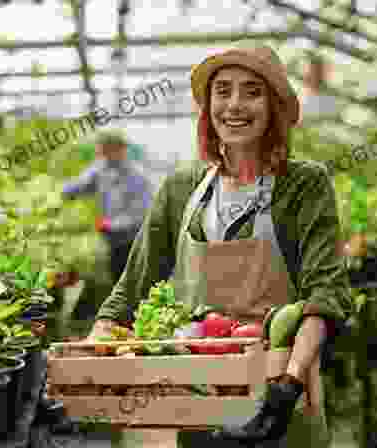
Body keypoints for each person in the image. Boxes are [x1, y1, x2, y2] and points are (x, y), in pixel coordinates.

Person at [83, 41, 352, 447]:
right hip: (198, 399)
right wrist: (94, 351)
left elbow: (325, 295)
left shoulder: (304, 184)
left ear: (274, 105)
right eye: (222, 91)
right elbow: (131, 287)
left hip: (280, 394)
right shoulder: (180, 189)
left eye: (252, 91)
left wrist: (289, 384)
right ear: (208, 108)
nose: (235, 105)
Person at [61, 130, 153, 284]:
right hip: (110, 237)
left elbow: (141, 215)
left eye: (104, 148)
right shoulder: (101, 169)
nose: (99, 152)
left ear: (118, 149)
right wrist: (57, 194)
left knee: (128, 278)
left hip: (131, 239)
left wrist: (110, 224)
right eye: (100, 148)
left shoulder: (136, 177)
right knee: (114, 277)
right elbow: (78, 186)